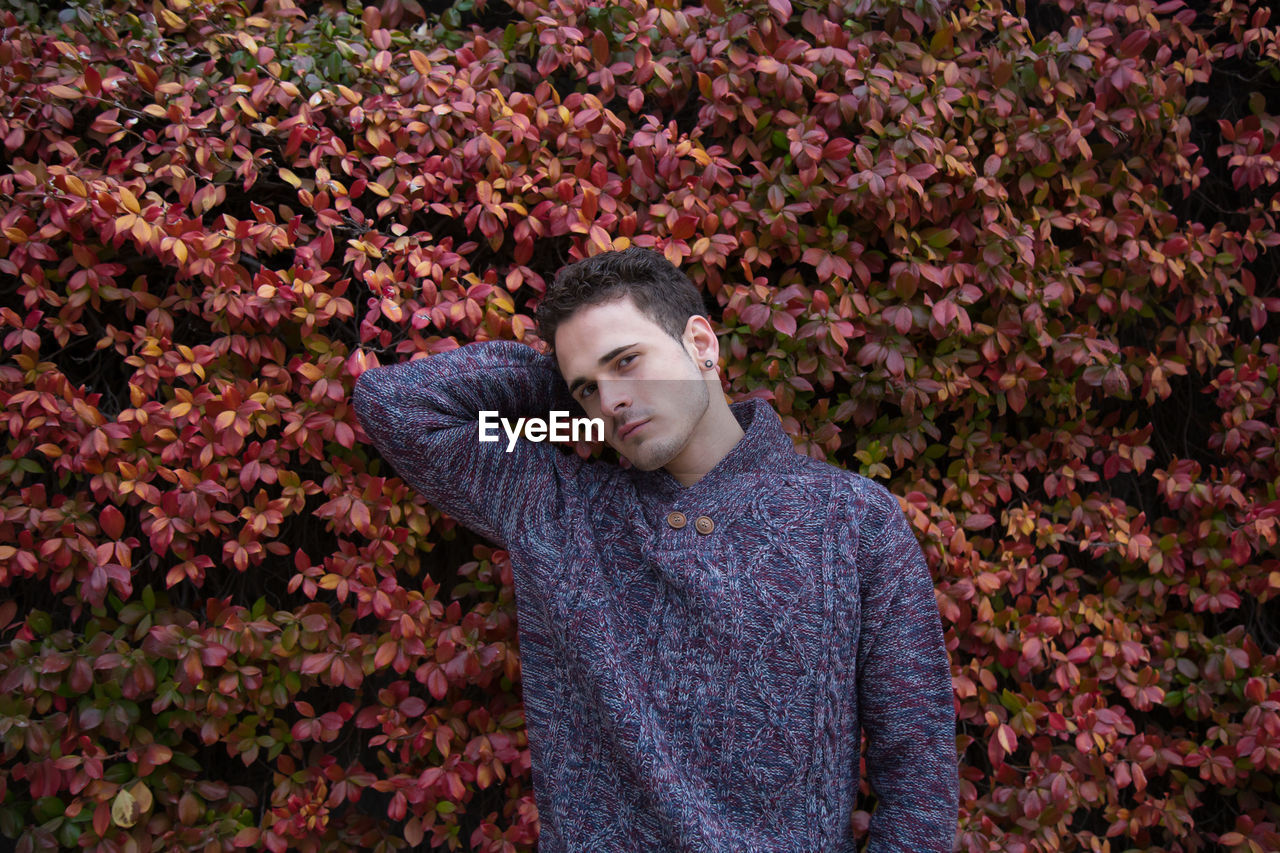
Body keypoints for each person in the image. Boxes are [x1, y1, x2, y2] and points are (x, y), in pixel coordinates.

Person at [351, 247, 959, 852]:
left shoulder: (850, 521)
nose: (611, 399)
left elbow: (918, 779)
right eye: (589, 387)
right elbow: (399, 408)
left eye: (628, 360)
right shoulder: (556, 507)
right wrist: (559, 384)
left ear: (701, 344)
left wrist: (589, 381)